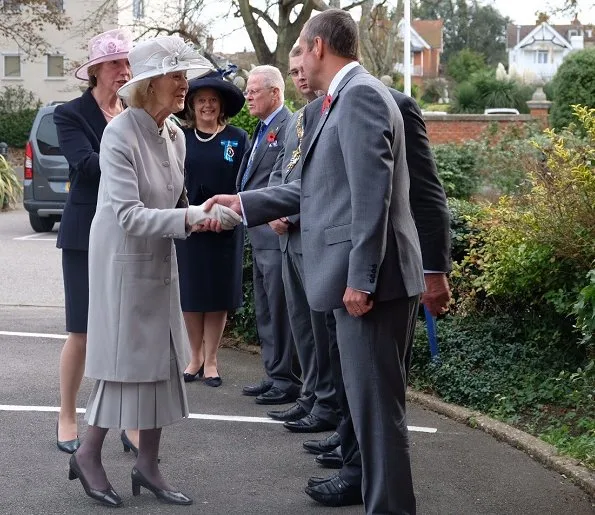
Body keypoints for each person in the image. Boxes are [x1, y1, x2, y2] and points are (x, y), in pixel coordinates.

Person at [206, 9, 434, 514]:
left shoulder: (361, 98)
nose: (299, 63)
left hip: (373, 287)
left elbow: (370, 198)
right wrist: (242, 204)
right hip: (368, 283)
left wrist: (362, 278)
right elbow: (315, 189)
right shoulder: (344, 101)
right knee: (372, 417)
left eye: (301, 52)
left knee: (377, 420)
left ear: (317, 46)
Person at [67, 35, 241, 508]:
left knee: (163, 362)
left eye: (184, 74)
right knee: (125, 369)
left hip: (160, 260)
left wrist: (204, 211)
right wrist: (190, 218)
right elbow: (127, 214)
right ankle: (88, 453)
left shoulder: (175, 135)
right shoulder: (119, 134)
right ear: (147, 84)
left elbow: (176, 203)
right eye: (176, 75)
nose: (185, 84)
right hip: (123, 266)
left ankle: (147, 465)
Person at [306, 85, 452, 497]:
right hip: (340, 271)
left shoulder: (387, 103)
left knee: (375, 392)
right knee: (349, 380)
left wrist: (435, 269)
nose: (297, 69)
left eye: (301, 53)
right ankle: (354, 461)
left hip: (378, 277)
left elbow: (424, 192)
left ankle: (360, 473)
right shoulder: (319, 110)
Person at [54, 28, 134, 455]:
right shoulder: (70, 113)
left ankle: (127, 422)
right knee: (82, 331)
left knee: (123, 332)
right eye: (116, 64)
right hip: (85, 235)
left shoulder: (134, 109)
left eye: (127, 63)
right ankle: (67, 416)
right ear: (96, 71)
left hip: (128, 232)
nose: (124, 71)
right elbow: (85, 165)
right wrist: (127, 141)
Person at [265, 47, 339, 433]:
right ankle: (310, 394)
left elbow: (326, 183)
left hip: (312, 237)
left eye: (302, 69)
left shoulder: (333, 112)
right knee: (302, 327)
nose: (300, 77)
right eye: (292, 72)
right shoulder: (298, 119)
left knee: (322, 329)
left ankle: (326, 403)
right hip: (287, 238)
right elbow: (282, 172)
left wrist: (288, 213)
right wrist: (274, 212)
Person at [175, 71, 249, 388]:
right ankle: (194, 357)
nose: (207, 106)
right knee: (191, 296)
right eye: (201, 100)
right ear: (192, 105)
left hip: (225, 229)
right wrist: (189, 217)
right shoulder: (180, 138)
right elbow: (173, 184)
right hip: (189, 228)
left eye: (213, 101)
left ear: (221, 106)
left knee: (217, 297)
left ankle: (213, 360)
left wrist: (225, 216)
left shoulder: (238, 138)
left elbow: (245, 185)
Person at [237, 66, 301, 405]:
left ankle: (287, 379)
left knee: (280, 309)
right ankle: (274, 373)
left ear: (275, 93)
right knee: (265, 308)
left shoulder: (289, 126)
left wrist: (285, 214)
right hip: (259, 234)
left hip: (276, 234)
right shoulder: (263, 129)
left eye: (254, 90)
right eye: (247, 90)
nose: (248, 96)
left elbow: (291, 177)